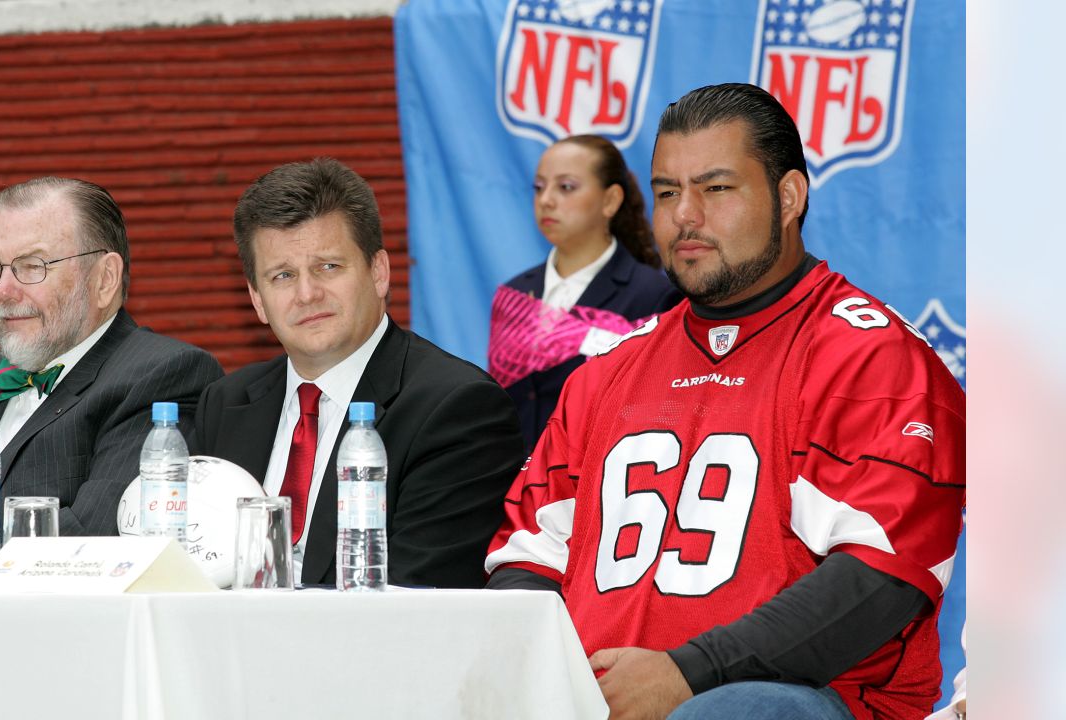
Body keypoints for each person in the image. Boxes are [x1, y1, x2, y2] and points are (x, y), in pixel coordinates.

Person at [485, 84, 965, 719]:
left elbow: (879, 582)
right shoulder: (608, 370)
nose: (684, 215)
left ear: (788, 197)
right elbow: (526, 557)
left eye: (715, 189)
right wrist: (555, 676)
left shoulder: (870, 358)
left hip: (793, 701)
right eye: (666, 193)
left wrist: (689, 675)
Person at [192, 158, 524, 589]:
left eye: (328, 266)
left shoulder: (458, 408)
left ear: (378, 272)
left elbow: (419, 596)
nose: (307, 294)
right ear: (257, 300)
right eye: (283, 276)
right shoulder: (225, 403)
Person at [0, 176, 223, 573]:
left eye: (31, 266)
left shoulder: (161, 374)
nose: (4, 289)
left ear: (104, 279)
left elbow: (97, 541)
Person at [488, 134, 681, 452]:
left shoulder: (653, 296)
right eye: (539, 187)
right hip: (515, 489)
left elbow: (655, 413)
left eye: (566, 187)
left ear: (610, 201)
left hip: (596, 485)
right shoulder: (513, 296)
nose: (546, 200)